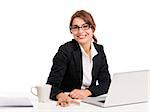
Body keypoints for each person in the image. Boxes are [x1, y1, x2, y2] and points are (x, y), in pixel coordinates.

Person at [46, 10, 111, 107]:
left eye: (85, 26)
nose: (80, 31)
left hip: (90, 102)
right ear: (71, 30)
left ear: (93, 28)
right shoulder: (65, 50)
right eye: (75, 27)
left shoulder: (99, 50)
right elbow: (51, 85)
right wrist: (60, 95)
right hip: (69, 102)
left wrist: (87, 92)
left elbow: (106, 83)